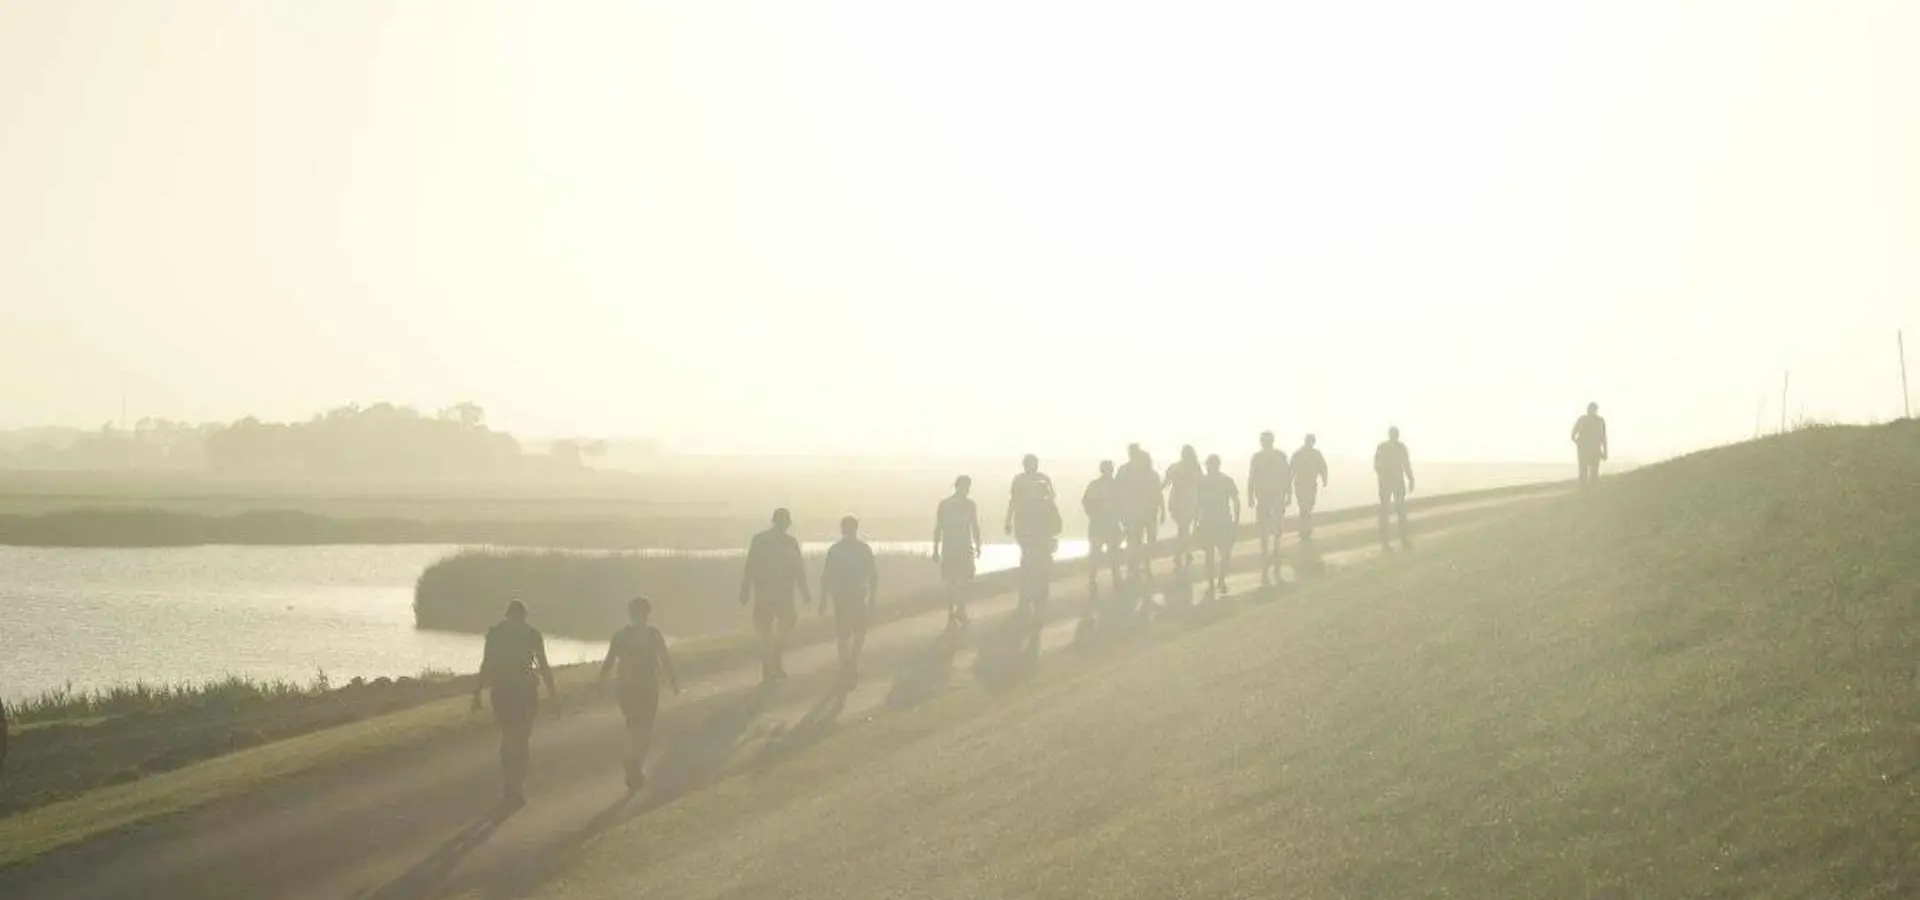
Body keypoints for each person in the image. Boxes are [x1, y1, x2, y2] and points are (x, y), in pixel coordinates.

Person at [472, 599, 558, 807]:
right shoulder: (532, 635)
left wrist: (476, 692)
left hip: (502, 691)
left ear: (507, 615)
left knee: (509, 735)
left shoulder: (496, 634)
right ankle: (516, 786)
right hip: (525, 691)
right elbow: (543, 665)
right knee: (522, 737)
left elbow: (486, 663)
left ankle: (510, 785)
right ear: (524, 616)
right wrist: (553, 693)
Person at [598, 596, 680, 793]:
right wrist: (673, 682)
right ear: (647, 614)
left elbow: (608, 662)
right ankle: (634, 761)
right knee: (646, 727)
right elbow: (665, 659)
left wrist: (600, 683)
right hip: (647, 686)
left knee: (634, 725)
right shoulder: (653, 634)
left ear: (630, 613)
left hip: (625, 687)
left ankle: (634, 766)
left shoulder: (619, 636)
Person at [739, 508, 811, 683]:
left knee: (768, 629)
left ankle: (769, 663)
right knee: (780, 627)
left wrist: (746, 589)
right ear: (785, 523)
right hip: (781, 593)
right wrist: (804, 592)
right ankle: (774, 662)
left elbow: (750, 566)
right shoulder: (788, 542)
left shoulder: (761, 540)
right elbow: (798, 569)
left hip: (766, 592)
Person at [820, 515, 879, 684]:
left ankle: (845, 663)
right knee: (859, 631)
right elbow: (873, 574)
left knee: (843, 632)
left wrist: (823, 598)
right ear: (856, 529)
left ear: (842, 529)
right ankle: (852, 661)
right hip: (857, 594)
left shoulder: (836, 549)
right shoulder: (863, 548)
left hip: (841, 596)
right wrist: (873, 597)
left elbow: (827, 575)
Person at [1005, 454, 1060, 620]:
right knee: (1030, 564)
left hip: (1034, 534)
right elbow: (1013, 501)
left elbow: (1053, 508)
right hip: (1027, 532)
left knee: (1033, 566)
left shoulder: (1041, 482)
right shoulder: (1022, 481)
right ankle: (1030, 600)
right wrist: (1008, 521)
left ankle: (1033, 601)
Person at [932, 476, 983, 628]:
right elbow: (939, 527)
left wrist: (978, 544)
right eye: (965, 486)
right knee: (953, 581)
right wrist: (935, 548)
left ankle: (959, 609)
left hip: (960, 547)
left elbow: (974, 526)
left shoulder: (967, 505)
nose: (966, 490)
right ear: (958, 487)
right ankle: (953, 611)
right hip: (953, 547)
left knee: (961, 580)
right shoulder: (948, 504)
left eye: (967, 487)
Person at [1247, 431, 1293, 586]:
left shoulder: (1259, 458)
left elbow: (1252, 478)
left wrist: (1250, 495)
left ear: (1262, 442)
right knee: (1275, 524)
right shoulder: (1279, 456)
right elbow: (1287, 476)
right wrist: (1289, 494)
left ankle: (1267, 550)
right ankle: (1275, 549)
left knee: (1265, 525)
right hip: (1274, 495)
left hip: (1267, 496)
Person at [1116, 444, 1165, 587]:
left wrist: (1162, 510)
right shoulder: (1127, 471)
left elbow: (1157, 493)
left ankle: (1140, 568)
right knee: (1138, 542)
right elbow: (1118, 492)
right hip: (1137, 514)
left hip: (1143, 513)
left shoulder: (1144, 473)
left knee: (1140, 542)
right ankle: (1139, 569)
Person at [1195, 454, 1242, 600]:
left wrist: (1196, 521)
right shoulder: (1219, 481)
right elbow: (1236, 501)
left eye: (1209, 465)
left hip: (1215, 522)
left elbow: (1196, 503)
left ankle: (1216, 581)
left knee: (1216, 554)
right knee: (1220, 554)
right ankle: (1218, 581)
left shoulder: (1205, 482)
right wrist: (1236, 520)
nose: (1208, 468)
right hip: (1217, 522)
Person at [1080, 460, 1124, 610]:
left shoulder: (1102, 485)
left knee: (1103, 553)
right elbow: (1086, 503)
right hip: (1103, 524)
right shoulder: (1112, 486)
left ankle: (1098, 579)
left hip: (1104, 524)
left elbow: (1086, 503)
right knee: (1105, 553)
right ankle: (1103, 579)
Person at [1374, 426, 1416, 551]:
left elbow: (1405, 464)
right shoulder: (1397, 447)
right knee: (1395, 512)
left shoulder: (1386, 447)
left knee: (1392, 512)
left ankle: (1391, 542)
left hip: (1391, 482)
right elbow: (1405, 464)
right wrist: (1410, 478)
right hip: (1393, 482)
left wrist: (1410, 478)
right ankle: (1394, 542)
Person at [1163, 446, 1203, 571]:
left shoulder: (1175, 467)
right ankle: (1182, 554)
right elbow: (1202, 485)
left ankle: (1182, 554)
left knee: (1183, 528)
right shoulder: (1195, 468)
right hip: (1188, 502)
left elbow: (1165, 483)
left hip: (1179, 502)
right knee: (1184, 528)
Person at [1292, 434, 1329, 541]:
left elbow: (1323, 468)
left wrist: (1324, 480)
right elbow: (1323, 468)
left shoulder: (1300, 454)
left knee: (1305, 506)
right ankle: (1305, 529)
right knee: (1306, 506)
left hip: (1305, 484)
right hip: (1305, 484)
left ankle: (1304, 528)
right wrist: (1324, 480)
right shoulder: (1312, 454)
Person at [1571, 402, 1609, 487]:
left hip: (1593, 449)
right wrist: (1579, 443)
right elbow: (1573, 435)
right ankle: (1585, 491)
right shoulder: (1584, 420)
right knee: (1585, 472)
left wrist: (1605, 451)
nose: (1592, 411)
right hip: (1587, 449)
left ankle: (1589, 492)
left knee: (1592, 472)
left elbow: (1603, 437)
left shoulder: (1599, 421)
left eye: (1593, 410)